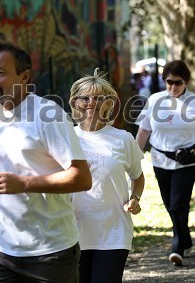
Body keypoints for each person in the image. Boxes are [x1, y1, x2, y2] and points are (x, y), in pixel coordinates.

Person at [0, 42, 92, 283]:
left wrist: (24, 183)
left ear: (24, 77)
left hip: (49, 251)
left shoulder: (48, 116)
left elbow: (81, 177)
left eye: (0, 72)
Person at [135, 60, 195, 266]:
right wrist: (134, 158)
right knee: (169, 205)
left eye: (178, 83)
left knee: (178, 204)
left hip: (186, 162)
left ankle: (178, 246)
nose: (173, 87)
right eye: (169, 82)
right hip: (160, 160)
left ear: (186, 81)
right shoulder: (154, 100)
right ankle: (186, 237)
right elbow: (144, 130)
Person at [69, 70, 145, 283]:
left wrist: (135, 198)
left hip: (113, 231)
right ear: (75, 102)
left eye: (99, 98)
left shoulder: (122, 139)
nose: (92, 103)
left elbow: (137, 176)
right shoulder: (65, 137)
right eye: (85, 97)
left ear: (108, 103)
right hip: (72, 231)